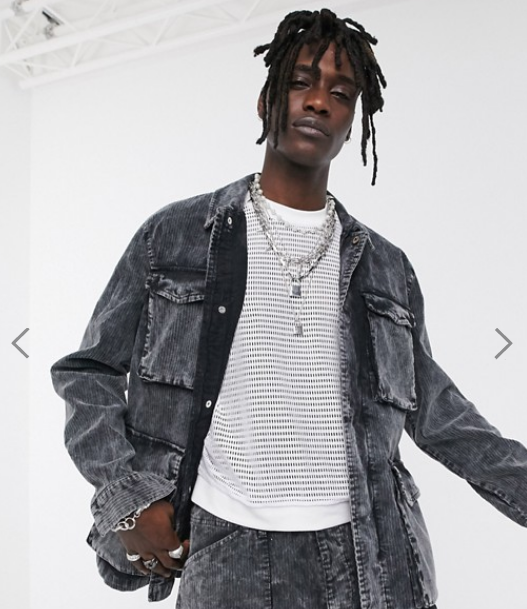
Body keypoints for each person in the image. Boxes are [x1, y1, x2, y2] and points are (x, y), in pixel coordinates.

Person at [50, 8, 527, 609]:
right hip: (225, 551)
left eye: (341, 93)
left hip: (369, 558)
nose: (319, 101)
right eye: (301, 82)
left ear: (352, 124)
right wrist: (128, 498)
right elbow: (87, 372)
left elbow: (443, 418)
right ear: (266, 101)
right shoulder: (174, 237)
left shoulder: (386, 267)